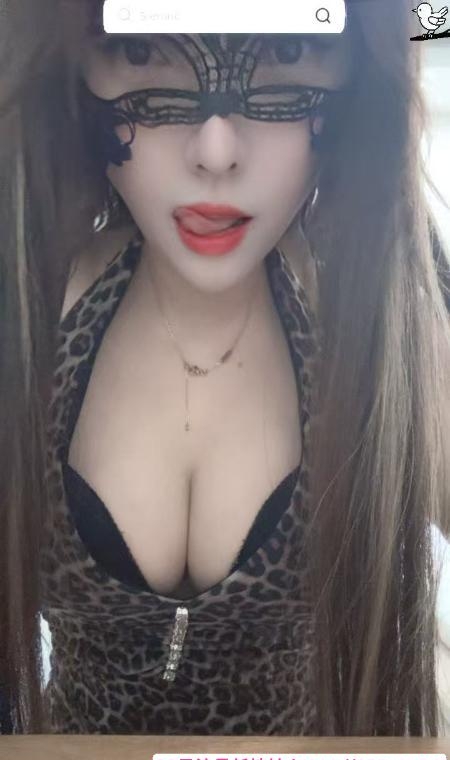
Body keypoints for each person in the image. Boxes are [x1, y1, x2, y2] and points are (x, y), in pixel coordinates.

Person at [0, 0, 449, 737]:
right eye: (142, 53)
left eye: (287, 51)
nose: (215, 150)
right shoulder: (29, 317)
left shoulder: (386, 338)